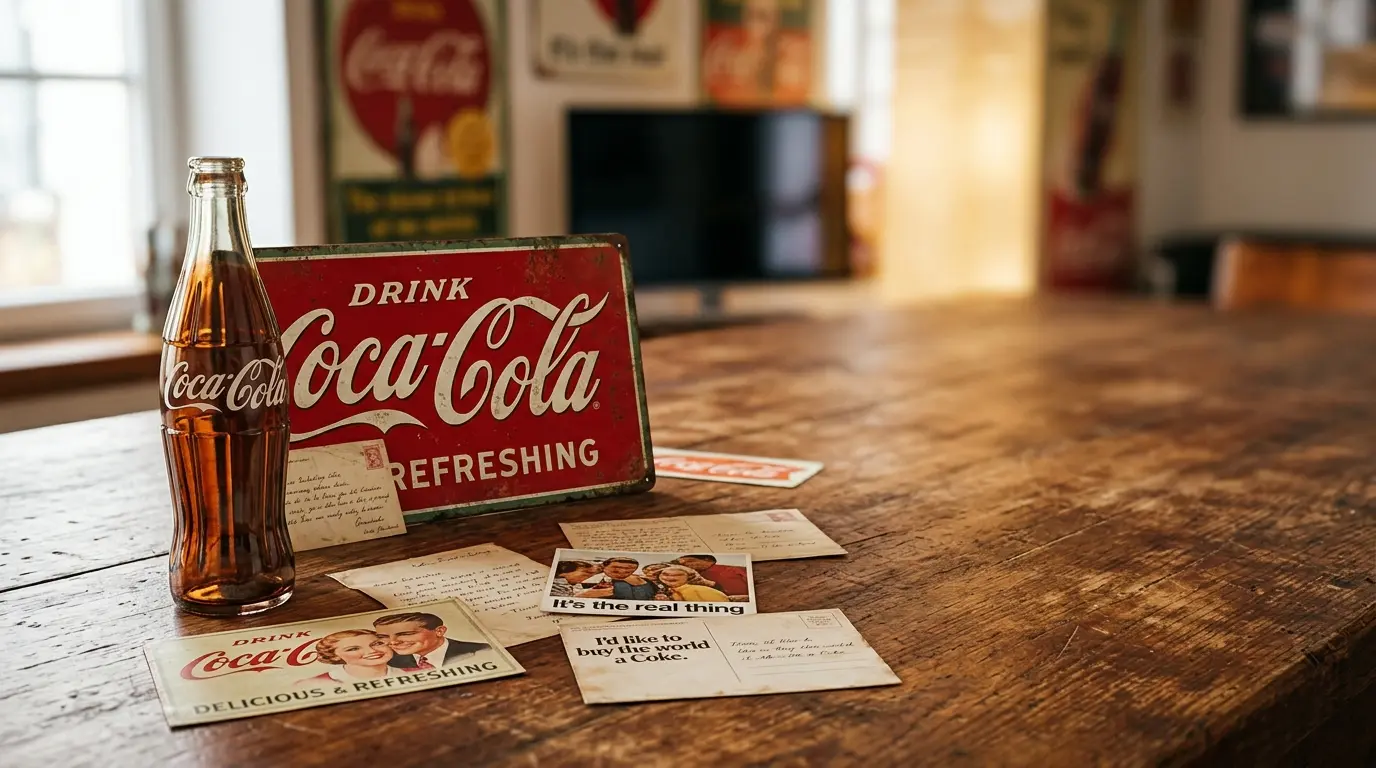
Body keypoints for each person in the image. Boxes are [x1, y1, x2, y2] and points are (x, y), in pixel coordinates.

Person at [372, 612, 491, 669]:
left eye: (405, 634)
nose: (393, 642)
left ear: (439, 631)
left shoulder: (482, 651)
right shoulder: (387, 661)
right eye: (383, 636)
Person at [296, 629, 413, 686]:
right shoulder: (311, 684)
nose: (372, 651)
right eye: (353, 649)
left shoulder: (417, 672)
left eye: (377, 644)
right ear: (334, 656)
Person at [577, 556, 657, 601]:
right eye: (616, 567)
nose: (622, 571)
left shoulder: (646, 581)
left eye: (629, 568)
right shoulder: (590, 580)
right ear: (604, 566)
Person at [675, 555, 750, 598]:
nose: (686, 565)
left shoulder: (731, 569)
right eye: (682, 564)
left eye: (689, 561)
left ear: (707, 559)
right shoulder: (690, 578)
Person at [654, 565, 729, 602]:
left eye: (678, 575)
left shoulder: (697, 590)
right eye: (665, 574)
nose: (670, 577)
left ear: (689, 577)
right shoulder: (662, 589)